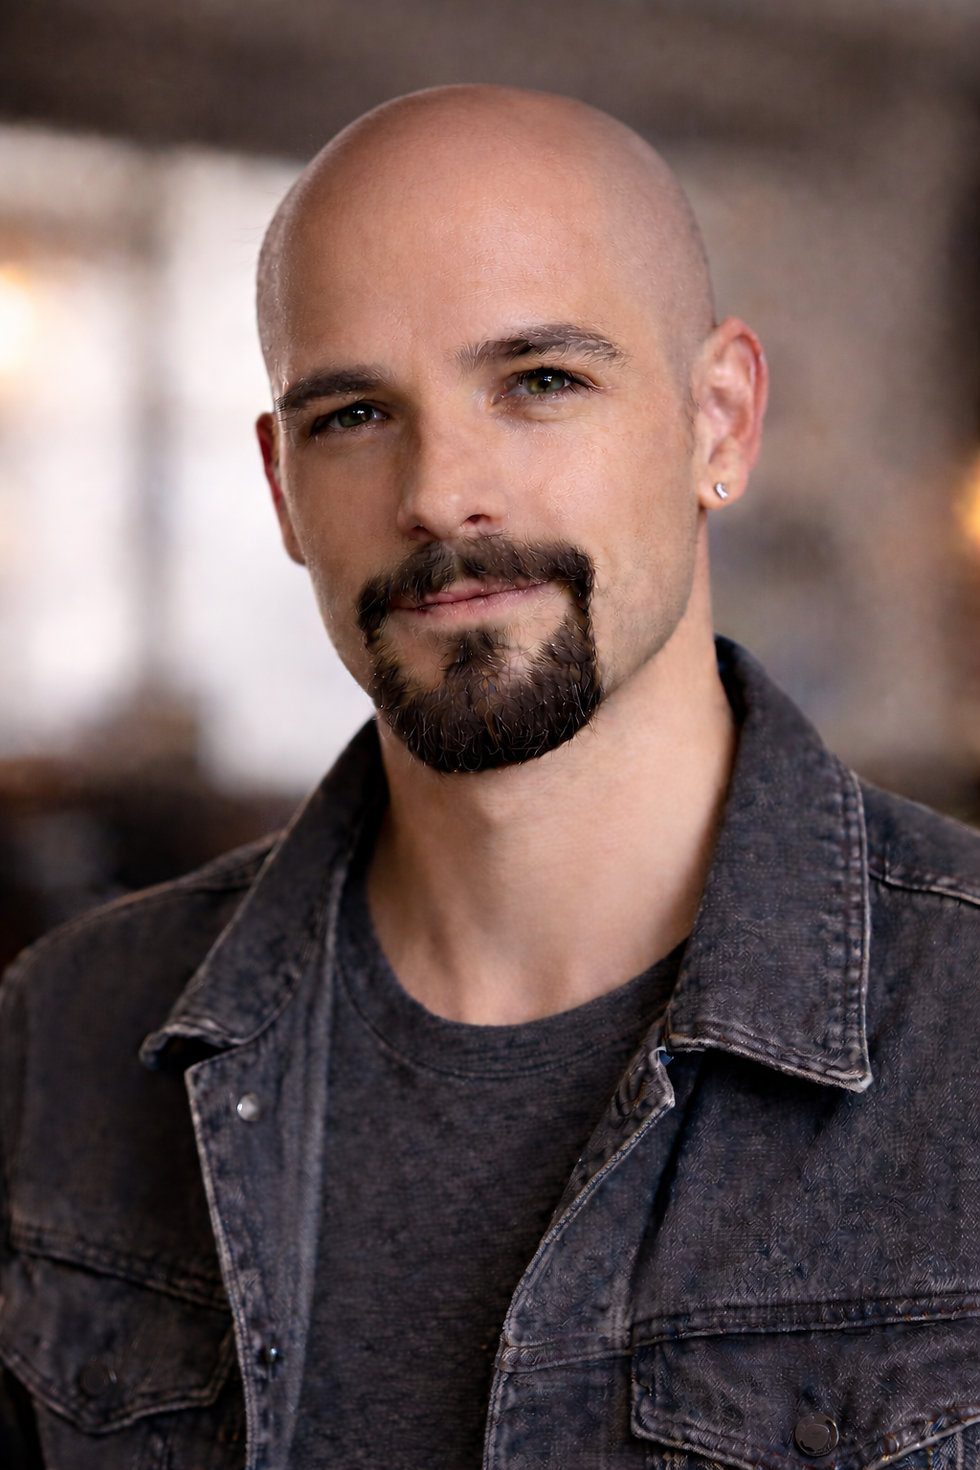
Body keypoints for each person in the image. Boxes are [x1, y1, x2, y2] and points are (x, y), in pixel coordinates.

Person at [2, 83, 980, 1470]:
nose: (440, 492)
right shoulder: (66, 1037)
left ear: (718, 422)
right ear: (281, 489)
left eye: (540, 382)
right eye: (354, 413)